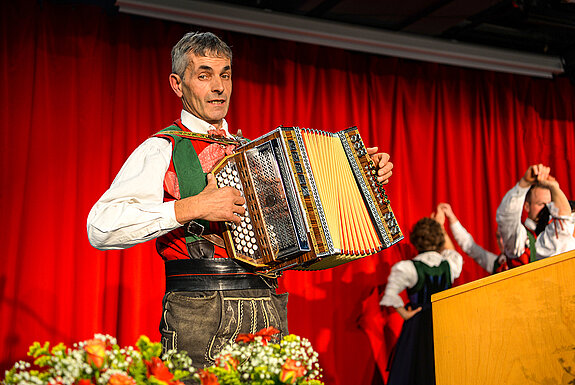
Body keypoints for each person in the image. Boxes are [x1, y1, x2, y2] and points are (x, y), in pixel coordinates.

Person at [86, 31, 394, 368]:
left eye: (225, 74)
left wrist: (361, 183)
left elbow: (304, 238)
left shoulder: (259, 156)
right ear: (177, 84)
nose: (218, 86)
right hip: (200, 311)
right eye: (204, 75)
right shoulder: (163, 147)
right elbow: (101, 227)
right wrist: (192, 207)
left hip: (267, 306)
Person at [379, 213, 463, 385]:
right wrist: (441, 226)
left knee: (415, 371)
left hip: (418, 326)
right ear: (439, 240)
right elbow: (452, 252)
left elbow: (390, 295)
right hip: (443, 324)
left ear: (416, 241)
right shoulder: (449, 264)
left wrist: (404, 314)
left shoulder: (409, 268)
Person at [496, 164, 575, 265]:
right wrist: (524, 183)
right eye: (541, 204)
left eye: (550, 204)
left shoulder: (559, 231)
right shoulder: (522, 239)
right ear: (527, 206)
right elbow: (506, 219)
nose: (546, 209)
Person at [437, 202, 508, 274]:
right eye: (498, 237)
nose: (501, 241)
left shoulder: (519, 257)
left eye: (504, 235)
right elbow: (470, 246)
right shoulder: (497, 263)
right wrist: (451, 218)